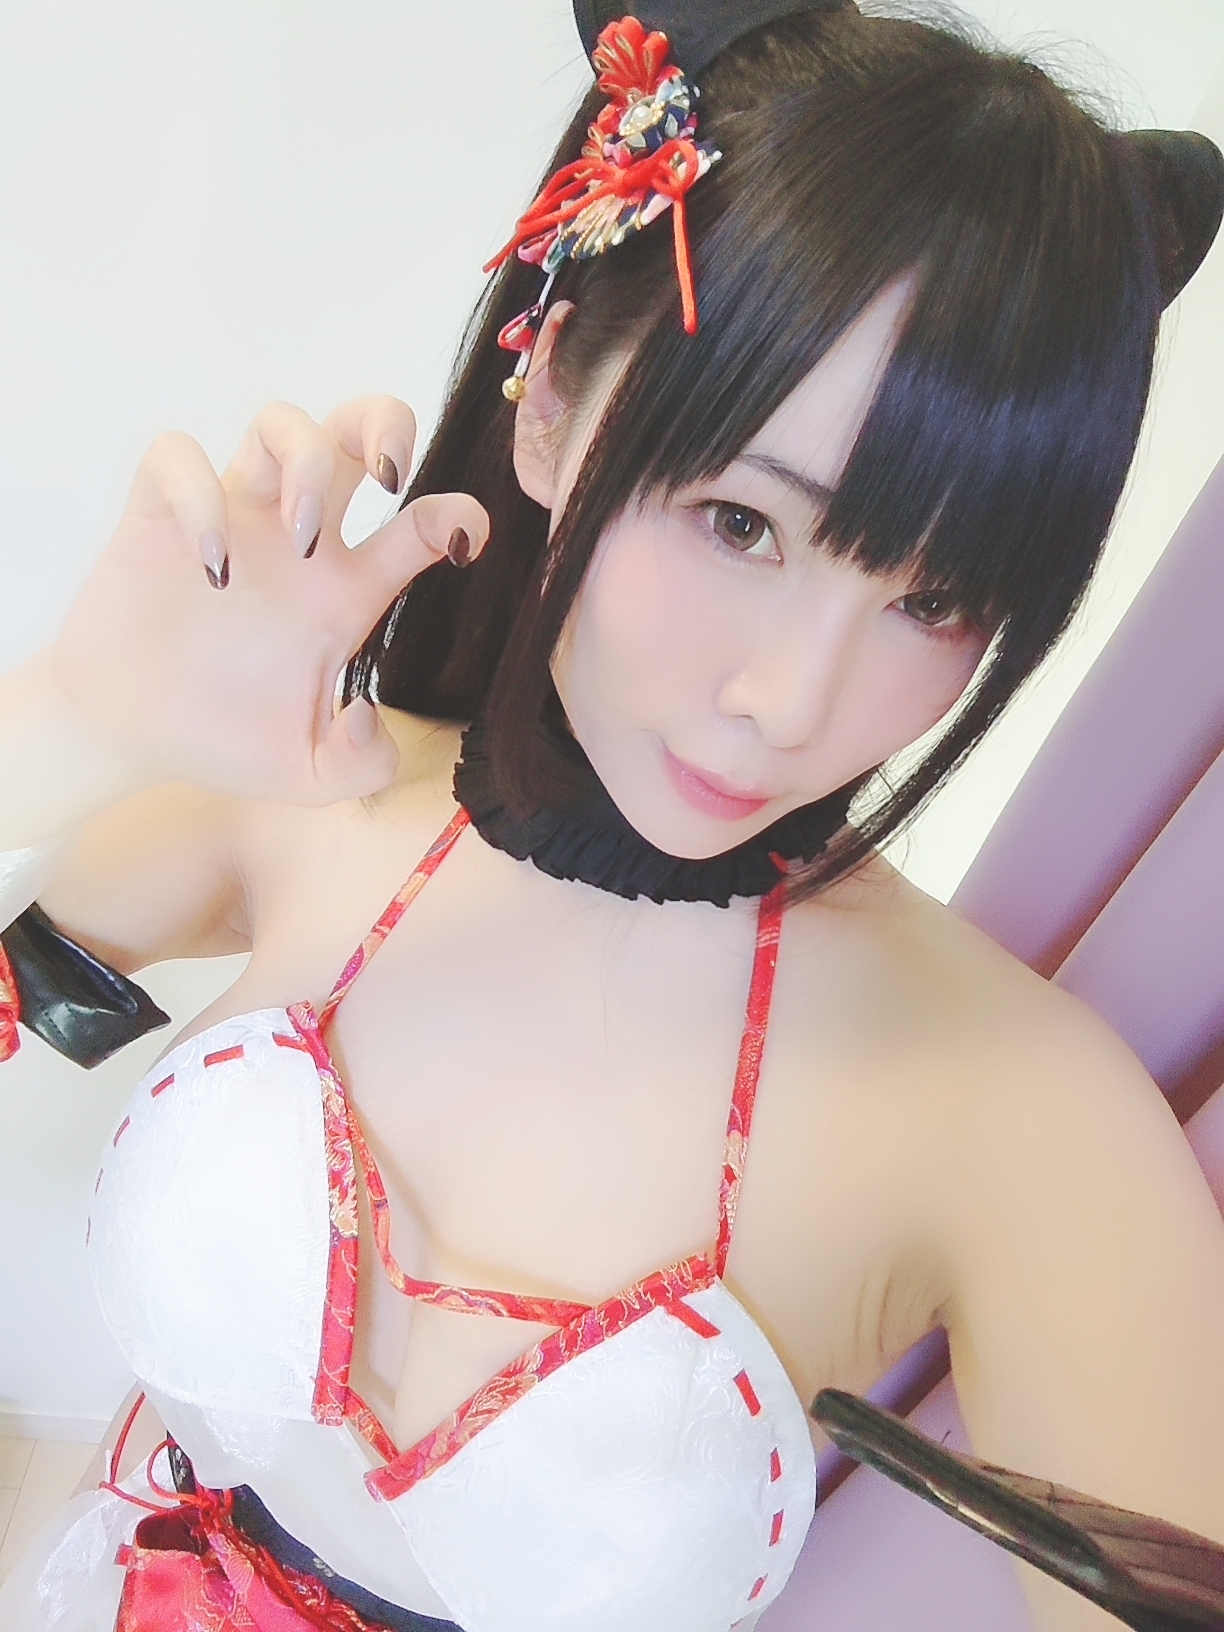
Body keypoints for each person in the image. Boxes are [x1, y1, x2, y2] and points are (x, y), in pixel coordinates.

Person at [1, 2, 1222, 1629]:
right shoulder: (310, 798)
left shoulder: (1015, 1113)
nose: (790, 700)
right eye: (742, 522)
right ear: (553, 401)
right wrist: (72, 719)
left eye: (934, 603)